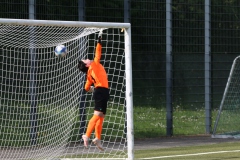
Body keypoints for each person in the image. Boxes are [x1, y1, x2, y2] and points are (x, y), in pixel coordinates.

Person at [78, 33, 109, 151]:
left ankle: (97, 138)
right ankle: (86, 135)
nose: (87, 58)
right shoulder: (94, 65)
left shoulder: (89, 75)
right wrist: (99, 41)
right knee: (97, 115)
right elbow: (98, 52)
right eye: (85, 59)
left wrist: (91, 89)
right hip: (101, 91)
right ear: (87, 64)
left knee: (101, 117)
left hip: (101, 92)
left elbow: (86, 87)